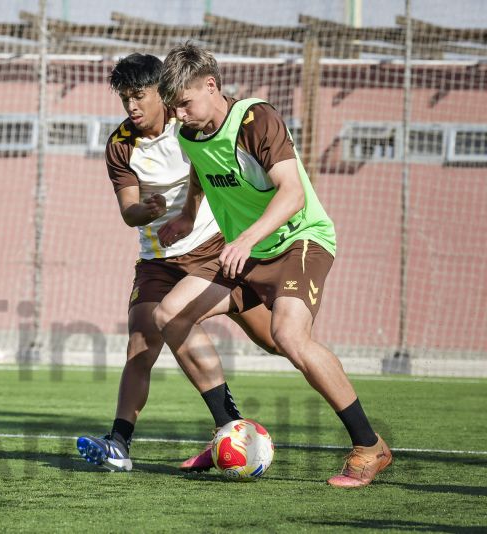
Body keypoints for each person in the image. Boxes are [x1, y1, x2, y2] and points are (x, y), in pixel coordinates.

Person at [153, 43, 392, 488]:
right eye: (173, 107)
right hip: (248, 252)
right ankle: (230, 430)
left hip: (299, 240)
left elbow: (292, 193)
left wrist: (245, 238)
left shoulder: (255, 119)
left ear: (211, 86)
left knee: (289, 336)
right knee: (169, 315)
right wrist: (188, 213)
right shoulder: (190, 134)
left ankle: (369, 445)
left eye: (184, 103)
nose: (178, 115)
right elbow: (202, 170)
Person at [76, 53, 279, 472]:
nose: (131, 106)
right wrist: (145, 211)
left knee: (279, 340)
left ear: (160, 92)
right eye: (124, 98)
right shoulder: (120, 144)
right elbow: (128, 211)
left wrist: (202, 216)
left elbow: (215, 169)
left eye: (139, 95)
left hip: (214, 250)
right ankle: (120, 443)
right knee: (141, 344)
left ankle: (351, 426)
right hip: (158, 262)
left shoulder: (188, 120)